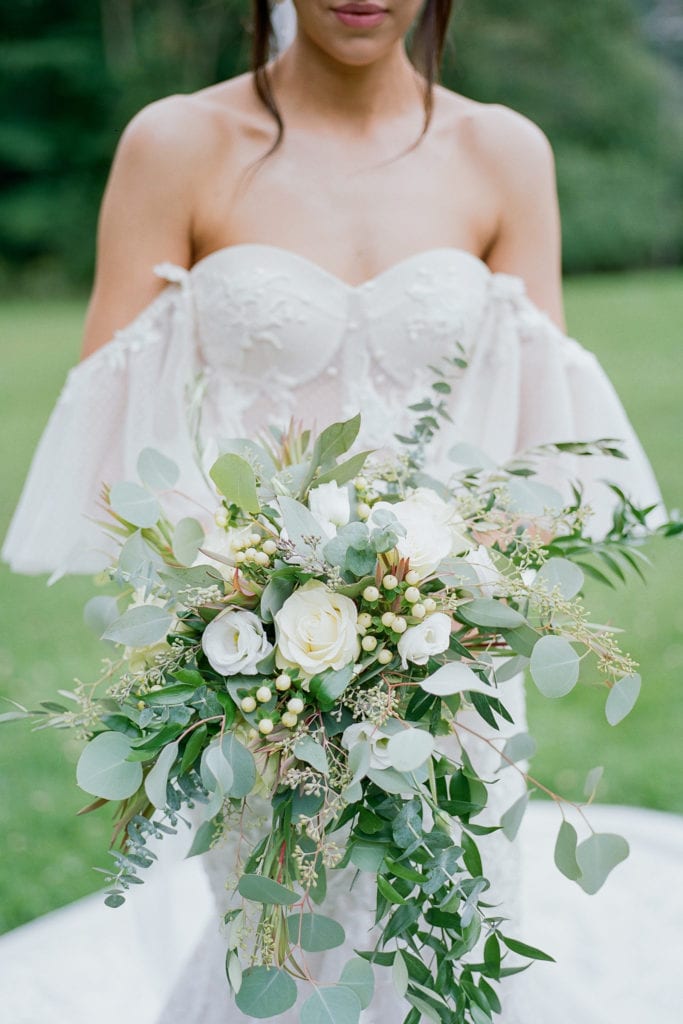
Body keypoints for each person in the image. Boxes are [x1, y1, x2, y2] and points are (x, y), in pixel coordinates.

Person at [2, 2, 675, 1023]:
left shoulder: (502, 151)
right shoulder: (175, 143)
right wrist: (231, 614)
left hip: (452, 659)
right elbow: (110, 438)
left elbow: (540, 441)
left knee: (458, 937)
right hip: (253, 668)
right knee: (284, 949)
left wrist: (455, 602)